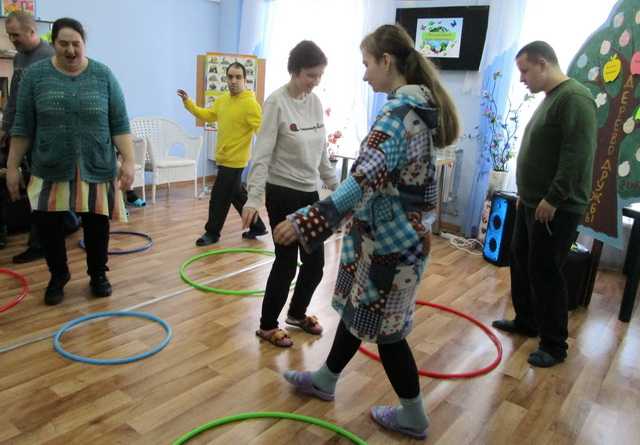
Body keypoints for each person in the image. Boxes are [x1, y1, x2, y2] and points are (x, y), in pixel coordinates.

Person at [274, 25, 460, 440]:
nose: (364, 75)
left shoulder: (396, 118)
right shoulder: (420, 110)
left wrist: (307, 221)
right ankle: (325, 379)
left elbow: (361, 182)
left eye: (367, 64)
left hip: (391, 246)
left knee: (388, 335)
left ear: (386, 61)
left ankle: (414, 416)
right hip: (395, 240)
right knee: (357, 312)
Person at [6, 17, 135, 305]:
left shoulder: (103, 75)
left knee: (97, 225)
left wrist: (129, 161)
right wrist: (12, 166)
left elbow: (120, 123)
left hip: (96, 163)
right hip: (49, 164)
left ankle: (98, 274)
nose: (71, 50)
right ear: (53, 43)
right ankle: (58, 275)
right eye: (63, 44)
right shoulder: (35, 76)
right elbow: (23, 126)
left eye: (76, 44)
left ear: (84, 44)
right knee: (48, 226)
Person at [492, 41, 597, 368]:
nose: (522, 78)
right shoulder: (552, 98)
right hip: (532, 202)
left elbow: (577, 155)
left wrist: (553, 197)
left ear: (543, 64)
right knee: (521, 259)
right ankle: (527, 321)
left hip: (556, 207)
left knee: (546, 271)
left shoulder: (575, 98)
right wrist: (527, 195)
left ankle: (554, 345)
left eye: (525, 71)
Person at [242, 41, 338, 348]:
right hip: (282, 192)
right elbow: (261, 156)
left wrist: (336, 186)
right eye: (311, 75)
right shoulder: (276, 103)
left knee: (315, 264)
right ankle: (268, 325)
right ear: (295, 71)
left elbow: (321, 152)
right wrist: (253, 198)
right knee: (285, 263)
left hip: (310, 193)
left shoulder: (315, 102)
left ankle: (297, 314)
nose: (316, 81)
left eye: (319, 75)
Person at [178, 61, 267, 246]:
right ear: (226, 78)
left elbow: (263, 132)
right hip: (224, 158)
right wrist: (188, 103)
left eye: (238, 77)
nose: (233, 81)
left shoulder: (250, 105)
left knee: (219, 197)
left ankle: (212, 232)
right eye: (230, 77)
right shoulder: (223, 100)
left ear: (245, 80)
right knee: (236, 195)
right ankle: (257, 226)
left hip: (236, 161)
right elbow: (206, 115)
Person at [0, 11, 55, 261]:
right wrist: (6, 128)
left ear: (32, 31)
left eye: (15, 35)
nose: (12, 40)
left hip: (45, 136)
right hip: (24, 133)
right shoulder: (19, 57)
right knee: (34, 189)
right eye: (9, 35)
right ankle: (49, 234)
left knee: (41, 189)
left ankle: (39, 244)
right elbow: (14, 97)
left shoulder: (50, 56)